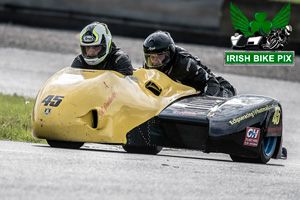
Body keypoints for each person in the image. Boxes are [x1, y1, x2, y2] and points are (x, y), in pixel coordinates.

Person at [143, 30, 236, 97]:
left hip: (215, 89)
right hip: (180, 96)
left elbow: (212, 82)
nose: (156, 61)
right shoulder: (149, 65)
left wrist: (205, 102)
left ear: (170, 53)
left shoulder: (184, 63)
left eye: (160, 56)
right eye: (152, 57)